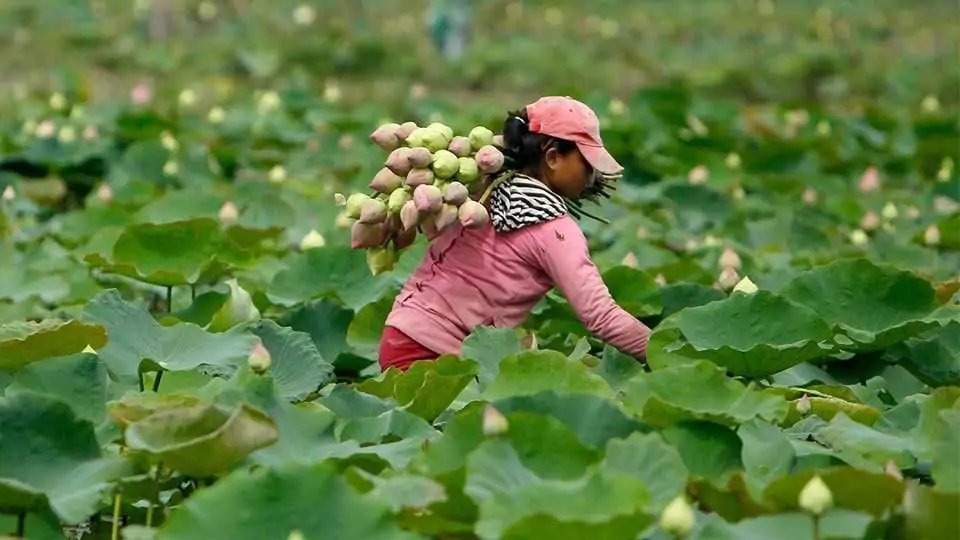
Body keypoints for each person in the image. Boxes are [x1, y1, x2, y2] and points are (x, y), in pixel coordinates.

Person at [378, 96, 651, 371]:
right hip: (436, 360)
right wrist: (663, 354)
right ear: (553, 157)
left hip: (398, 335)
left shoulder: (479, 191)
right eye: (587, 164)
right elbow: (601, 317)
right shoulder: (555, 231)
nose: (592, 176)